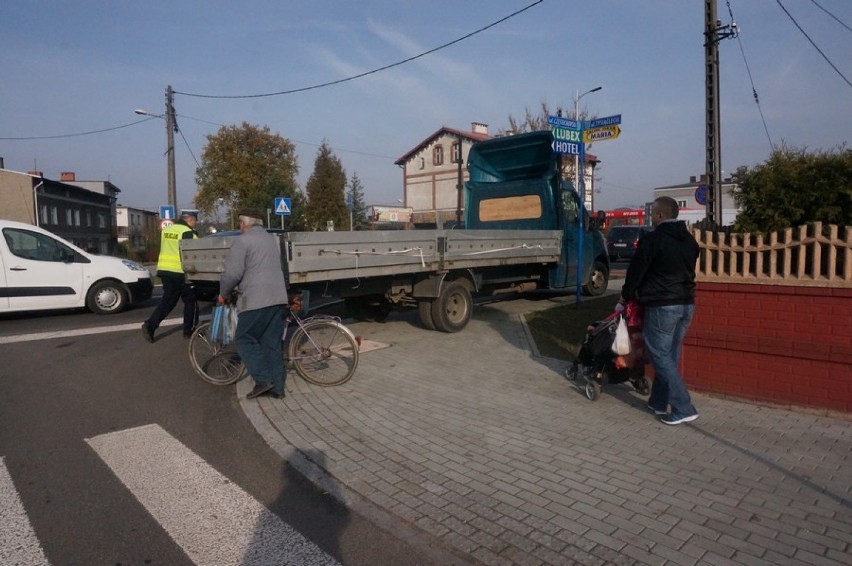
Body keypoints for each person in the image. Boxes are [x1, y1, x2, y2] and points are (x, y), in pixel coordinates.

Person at [620, 196, 700, 425]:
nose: (650, 217)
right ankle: (658, 402)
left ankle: (683, 407)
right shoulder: (689, 241)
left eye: (652, 213)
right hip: (686, 303)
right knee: (670, 355)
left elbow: (636, 271)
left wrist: (626, 296)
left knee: (659, 355)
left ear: (660, 215)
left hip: (662, 305)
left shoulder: (653, 240)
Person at [219, 210, 289, 400]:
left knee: (243, 339)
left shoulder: (243, 241)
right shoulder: (270, 239)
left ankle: (263, 380)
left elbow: (232, 274)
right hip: (278, 298)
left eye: (239, 224)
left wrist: (223, 293)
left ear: (244, 224)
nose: (239, 227)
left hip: (257, 300)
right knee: (271, 343)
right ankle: (278, 388)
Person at [142, 210, 199, 342]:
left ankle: (150, 325)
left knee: (168, 301)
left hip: (165, 271)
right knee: (190, 301)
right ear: (190, 219)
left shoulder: (167, 230)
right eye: (195, 221)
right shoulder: (188, 233)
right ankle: (188, 331)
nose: (195, 224)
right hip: (181, 273)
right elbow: (191, 256)